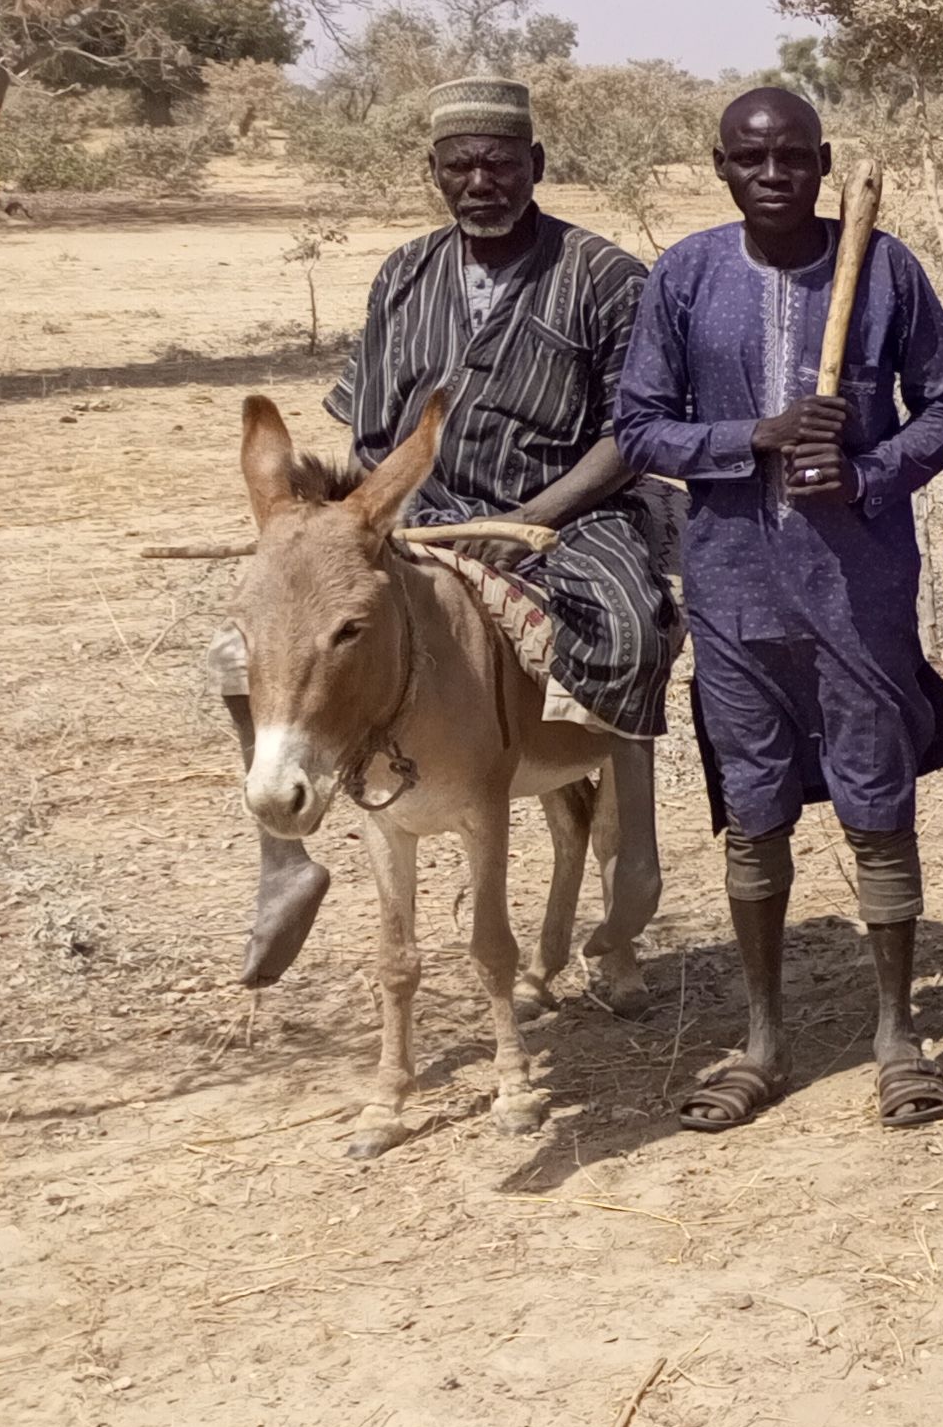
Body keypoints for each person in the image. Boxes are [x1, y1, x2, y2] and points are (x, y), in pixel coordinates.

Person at [229, 76, 677, 1005]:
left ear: (535, 167)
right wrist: (351, 525)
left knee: (628, 621)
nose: (481, 181)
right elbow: (366, 428)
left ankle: (625, 872)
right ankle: (284, 855)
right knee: (253, 645)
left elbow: (632, 433)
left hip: (567, 516)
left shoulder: (604, 277)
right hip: (414, 511)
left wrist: (537, 521)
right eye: (460, 165)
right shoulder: (403, 273)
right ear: (434, 172)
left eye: (500, 163)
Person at [615, 85, 943, 1132]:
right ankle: (765, 1035)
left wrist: (866, 471)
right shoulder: (686, 277)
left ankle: (898, 1033)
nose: (773, 176)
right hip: (732, 588)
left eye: (792, 159)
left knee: (876, 799)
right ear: (720, 166)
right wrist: (750, 439)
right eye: (750, 159)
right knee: (756, 808)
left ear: (824, 164)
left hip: (856, 589)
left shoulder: (886, 268)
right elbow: (638, 426)